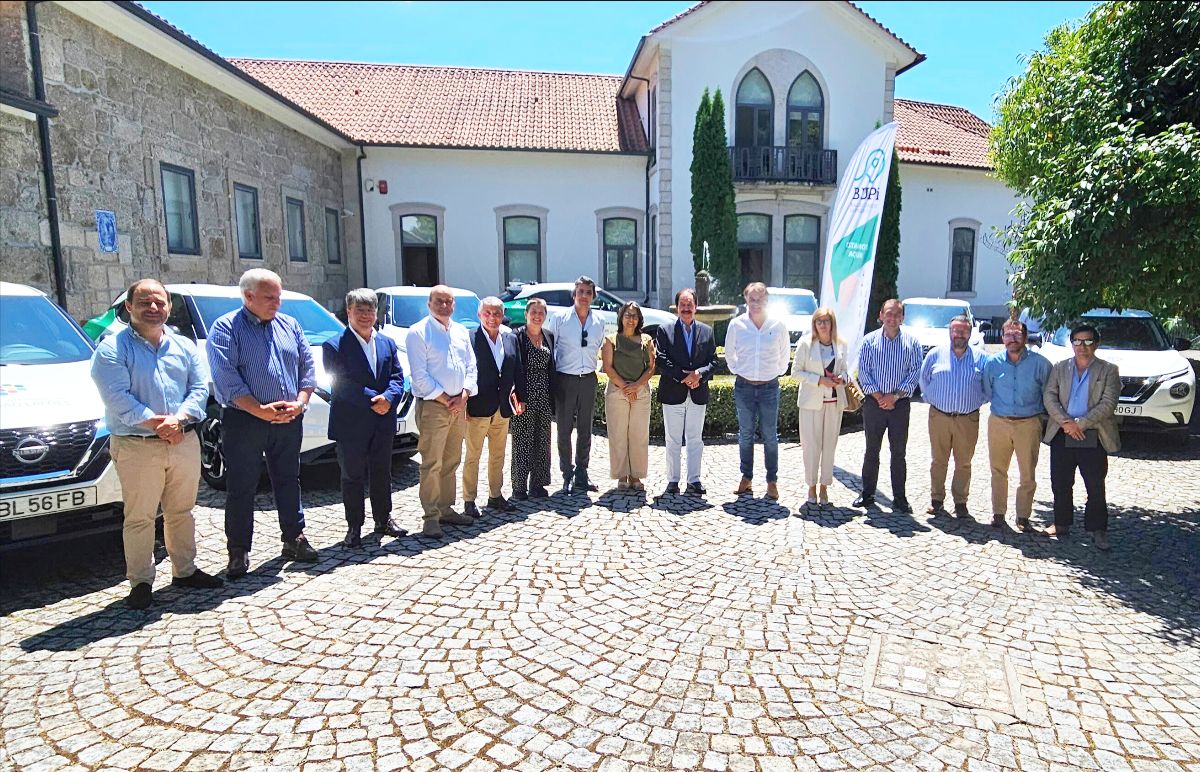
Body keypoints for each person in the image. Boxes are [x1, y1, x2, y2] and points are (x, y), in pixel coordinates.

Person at [91, 279, 222, 609]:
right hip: (137, 445)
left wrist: (178, 420)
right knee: (140, 516)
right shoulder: (111, 349)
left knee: (182, 511)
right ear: (129, 307)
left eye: (160, 303)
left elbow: (199, 388)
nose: (153, 308)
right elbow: (118, 398)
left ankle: (185, 571)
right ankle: (140, 582)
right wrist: (159, 423)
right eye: (145, 302)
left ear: (168, 307)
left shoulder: (183, 346)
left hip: (182, 441)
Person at [207, 269, 319, 577]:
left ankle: (294, 538)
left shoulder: (290, 325)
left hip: (288, 416)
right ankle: (239, 550)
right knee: (242, 486)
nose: (277, 303)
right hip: (245, 420)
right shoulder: (226, 329)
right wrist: (260, 411)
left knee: (288, 478)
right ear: (248, 296)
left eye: (279, 296)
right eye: (270, 297)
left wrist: (301, 401)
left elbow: (307, 366)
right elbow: (226, 379)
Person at [322, 289, 407, 548]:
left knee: (382, 472)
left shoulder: (387, 343)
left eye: (370, 310)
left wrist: (389, 398)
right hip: (352, 422)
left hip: (382, 421)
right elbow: (342, 384)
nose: (366, 315)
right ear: (348, 312)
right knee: (352, 476)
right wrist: (376, 400)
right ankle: (354, 526)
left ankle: (383, 519)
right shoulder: (334, 345)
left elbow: (397, 376)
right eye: (359, 310)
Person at [406, 285, 478, 538]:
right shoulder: (418, 333)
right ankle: (431, 517)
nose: (444, 306)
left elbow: (471, 366)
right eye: (439, 301)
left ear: (454, 305)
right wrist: (447, 398)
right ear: (429, 303)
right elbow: (420, 376)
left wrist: (464, 395)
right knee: (431, 463)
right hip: (435, 407)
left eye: (448, 302)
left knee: (451, 461)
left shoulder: (460, 332)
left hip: (459, 406)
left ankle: (446, 509)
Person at [1042, 323, 1121, 549]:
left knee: (1095, 485)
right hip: (1062, 432)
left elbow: (1108, 403)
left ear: (1095, 344)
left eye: (1087, 341)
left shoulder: (1109, 370)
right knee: (1060, 482)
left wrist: (1081, 424)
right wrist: (1067, 422)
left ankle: (1098, 530)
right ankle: (1061, 523)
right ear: (1072, 343)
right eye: (1077, 341)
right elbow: (1050, 396)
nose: (1082, 346)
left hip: (1093, 435)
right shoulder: (1059, 368)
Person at [981, 319, 1052, 531]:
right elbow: (988, 391)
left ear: (1025, 336)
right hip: (999, 423)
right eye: (1008, 335)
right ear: (1002, 338)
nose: (1012, 339)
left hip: (1028, 424)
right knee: (997, 470)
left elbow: (1048, 394)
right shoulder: (992, 364)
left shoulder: (1041, 364)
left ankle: (1023, 516)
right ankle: (998, 514)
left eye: (1017, 334)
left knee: (1027, 473)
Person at [725, 282, 792, 500]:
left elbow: (784, 356)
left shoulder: (778, 325)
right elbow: (729, 356)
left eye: (760, 299)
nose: (755, 303)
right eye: (751, 299)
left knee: (770, 436)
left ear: (767, 300)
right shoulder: (737, 325)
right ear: (746, 300)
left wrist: (774, 373)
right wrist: (741, 371)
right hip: (744, 387)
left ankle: (772, 481)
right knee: (745, 435)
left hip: (769, 387)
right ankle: (746, 478)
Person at [855, 299, 923, 512]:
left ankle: (900, 497)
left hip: (899, 406)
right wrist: (879, 397)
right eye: (888, 314)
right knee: (871, 450)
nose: (892, 318)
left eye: (897, 315)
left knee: (898, 453)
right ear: (881, 315)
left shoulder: (912, 343)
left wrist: (893, 397)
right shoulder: (869, 342)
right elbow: (864, 373)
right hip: (874, 405)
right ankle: (867, 494)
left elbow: (914, 374)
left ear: (902, 318)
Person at [918, 314, 987, 518]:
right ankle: (936, 500)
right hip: (939, 416)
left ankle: (960, 502)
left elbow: (988, 387)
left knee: (964, 462)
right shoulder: (935, 354)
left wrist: (975, 402)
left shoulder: (981, 358)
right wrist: (931, 398)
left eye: (964, 331)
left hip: (968, 419)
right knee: (938, 460)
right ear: (949, 332)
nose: (959, 334)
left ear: (970, 333)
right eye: (956, 330)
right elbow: (924, 379)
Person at [655, 288, 717, 496]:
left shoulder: (707, 332)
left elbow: (714, 361)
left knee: (695, 438)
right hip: (673, 392)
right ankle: (673, 480)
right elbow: (661, 360)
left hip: (698, 392)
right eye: (682, 304)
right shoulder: (665, 330)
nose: (686, 308)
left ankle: (694, 480)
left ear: (696, 307)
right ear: (677, 308)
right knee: (672, 439)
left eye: (690, 304)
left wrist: (699, 374)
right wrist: (684, 377)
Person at [547, 276, 605, 494]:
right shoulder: (560, 318)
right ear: (574, 295)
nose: (583, 296)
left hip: (588, 379)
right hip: (565, 379)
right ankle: (567, 473)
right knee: (564, 429)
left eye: (588, 292)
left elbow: (598, 346)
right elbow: (552, 349)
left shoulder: (598, 321)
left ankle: (582, 472)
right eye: (580, 291)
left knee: (585, 429)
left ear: (592, 297)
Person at [463, 297, 520, 516]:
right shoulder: (469, 339)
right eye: (487, 313)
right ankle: (469, 499)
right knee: (473, 455)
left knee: (498, 455)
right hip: (478, 407)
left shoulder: (509, 338)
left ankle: (495, 495)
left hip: (502, 407)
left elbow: (517, 369)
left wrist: (519, 397)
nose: (492, 318)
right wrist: (465, 402)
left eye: (497, 313)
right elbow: (465, 371)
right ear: (479, 315)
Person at [790, 307, 849, 508]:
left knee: (829, 447)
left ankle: (825, 486)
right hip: (811, 404)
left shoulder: (841, 345)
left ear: (833, 324)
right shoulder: (806, 344)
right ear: (814, 324)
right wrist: (819, 380)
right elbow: (795, 373)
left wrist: (842, 378)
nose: (823, 325)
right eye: (819, 321)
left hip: (834, 404)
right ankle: (811, 486)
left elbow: (847, 372)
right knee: (811, 447)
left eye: (826, 321)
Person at [601, 301, 656, 491]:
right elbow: (608, 367)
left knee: (638, 435)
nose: (631, 319)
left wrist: (636, 386)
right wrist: (625, 386)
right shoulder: (611, 340)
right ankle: (621, 475)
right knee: (618, 434)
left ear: (639, 319)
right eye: (627, 315)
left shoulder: (647, 340)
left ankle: (636, 476)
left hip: (640, 391)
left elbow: (651, 367)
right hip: (617, 391)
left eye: (634, 315)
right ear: (621, 317)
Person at [510, 298, 556, 500]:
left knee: (542, 441)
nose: (537, 316)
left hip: (544, 396)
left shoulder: (549, 336)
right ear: (526, 314)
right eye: (533, 312)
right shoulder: (517, 336)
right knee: (522, 440)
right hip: (524, 396)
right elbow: (514, 367)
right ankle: (519, 486)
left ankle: (538, 484)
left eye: (541, 312)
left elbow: (551, 368)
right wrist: (518, 396)